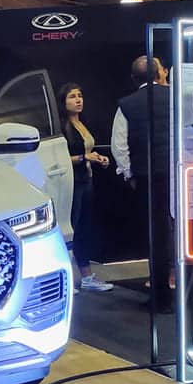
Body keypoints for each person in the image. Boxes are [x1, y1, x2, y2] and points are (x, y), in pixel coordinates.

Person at [111, 56, 175, 311]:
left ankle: (161, 298)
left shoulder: (126, 105)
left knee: (156, 236)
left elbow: (119, 145)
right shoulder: (176, 98)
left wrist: (129, 174)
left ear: (134, 78)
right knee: (185, 232)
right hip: (179, 174)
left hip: (148, 176)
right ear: (160, 73)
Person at [59, 83, 114, 293]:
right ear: (63, 102)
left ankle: (87, 276)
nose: (78, 100)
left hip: (87, 180)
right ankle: (66, 278)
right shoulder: (62, 127)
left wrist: (98, 158)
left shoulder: (82, 123)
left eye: (80, 96)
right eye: (72, 97)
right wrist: (84, 158)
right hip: (71, 182)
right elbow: (60, 158)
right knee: (70, 228)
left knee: (84, 229)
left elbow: (88, 150)